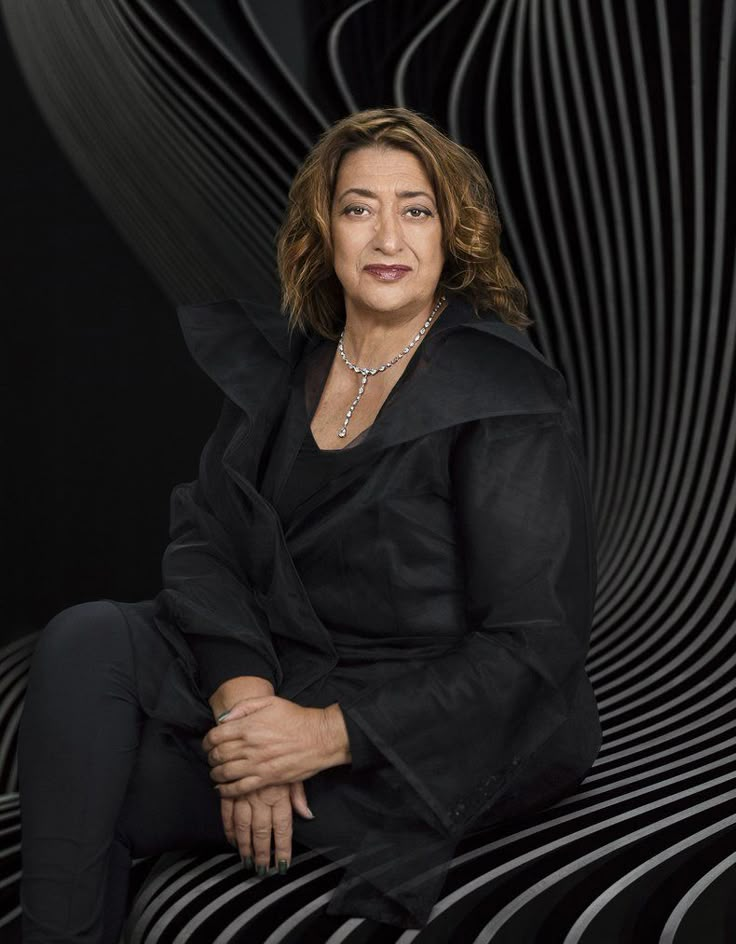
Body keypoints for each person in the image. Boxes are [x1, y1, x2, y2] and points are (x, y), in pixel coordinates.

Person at [18, 105, 601, 939]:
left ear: (453, 236)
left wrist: (326, 736)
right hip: (287, 669)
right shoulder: (294, 366)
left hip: (439, 713)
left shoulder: (502, 396)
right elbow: (206, 540)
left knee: (102, 778)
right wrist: (249, 711)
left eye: (417, 209)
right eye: (360, 208)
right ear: (323, 231)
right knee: (84, 640)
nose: (387, 237)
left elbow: (533, 644)